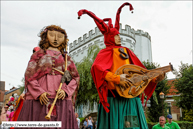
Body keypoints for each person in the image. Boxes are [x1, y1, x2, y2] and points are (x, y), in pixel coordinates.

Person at [78, 2, 163, 129]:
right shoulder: (105, 52)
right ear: (109, 37)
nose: (119, 37)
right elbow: (97, 69)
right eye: (115, 35)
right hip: (114, 99)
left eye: (118, 35)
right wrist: (117, 78)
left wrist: (155, 78)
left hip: (131, 98)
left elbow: (141, 72)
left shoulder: (128, 51)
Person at [17, 25, 80, 129]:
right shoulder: (37, 56)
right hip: (40, 99)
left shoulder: (67, 59)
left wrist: (66, 91)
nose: (55, 39)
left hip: (61, 99)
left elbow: (75, 78)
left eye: (59, 37)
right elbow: (29, 76)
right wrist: (39, 92)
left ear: (64, 39)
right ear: (46, 36)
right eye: (52, 35)